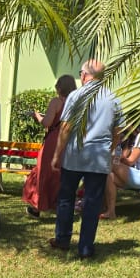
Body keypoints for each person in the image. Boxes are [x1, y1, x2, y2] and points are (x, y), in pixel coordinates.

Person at [51, 59, 123, 260]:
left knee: (66, 198)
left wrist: (57, 154)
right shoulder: (113, 98)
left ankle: (62, 239)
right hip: (98, 159)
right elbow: (118, 132)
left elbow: (65, 128)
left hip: (75, 156)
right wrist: (109, 148)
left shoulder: (75, 96)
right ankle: (85, 247)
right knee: (92, 203)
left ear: (84, 75)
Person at [22, 75, 76, 217]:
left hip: (53, 141)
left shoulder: (56, 102)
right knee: (60, 175)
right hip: (68, 141)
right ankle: (58, 206)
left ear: (59, 87)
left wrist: (37, 116)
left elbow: (47, 123)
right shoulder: (74, 104)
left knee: (44, 172)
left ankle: (38, 205)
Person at [102, 130, 140, 219]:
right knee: (109, 176)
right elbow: (125, 158)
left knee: (109, 164)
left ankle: (89, 196)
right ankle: (110, 212)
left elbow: (130, 161)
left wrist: (115, 158)